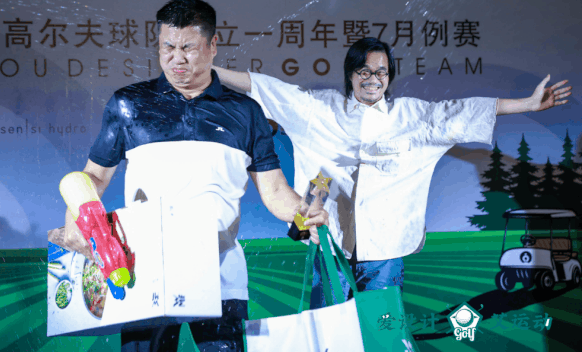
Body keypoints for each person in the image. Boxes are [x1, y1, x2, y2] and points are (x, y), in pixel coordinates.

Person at [213, 37, 573, 309]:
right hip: (331, 245)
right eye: (365, 71)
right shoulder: (317, 109)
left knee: (382, 332)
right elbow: (263, 86)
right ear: (351, 75)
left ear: (390, 76)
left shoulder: (413, 117)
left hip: (386, 249)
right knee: (330, 329)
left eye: (381, 72)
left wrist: (527, 104)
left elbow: (463, 111)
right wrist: (208, 72)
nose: (373, 79)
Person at [61, 0, 328, 352]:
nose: (176, 58)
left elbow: (275, 190)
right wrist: (76, 215)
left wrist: (303, 213)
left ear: (213, 45)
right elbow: (93, 176)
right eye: (167, 47)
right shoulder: (129, 104)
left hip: (221, 276)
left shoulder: (246, 112)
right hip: (144, 272)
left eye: (188, 47)